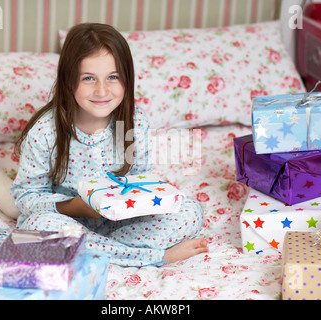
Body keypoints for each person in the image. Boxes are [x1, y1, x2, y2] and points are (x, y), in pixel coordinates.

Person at [11, 23, 208, 267]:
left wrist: (136, 204)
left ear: (126, 78)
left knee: (190, 211)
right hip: (66, 219)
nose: (102, 90)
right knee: (37, 228)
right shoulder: (45, 132)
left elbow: (140, 178)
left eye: (113, 77)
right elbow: (27, 197)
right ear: (69, 81)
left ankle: (96, 249)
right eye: (89, 78)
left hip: (120, 223)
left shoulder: (134, 123)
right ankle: (154, 257)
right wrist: (77, 207)